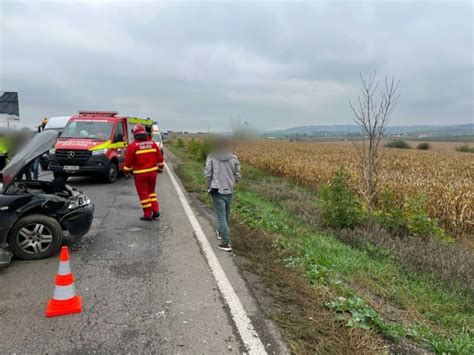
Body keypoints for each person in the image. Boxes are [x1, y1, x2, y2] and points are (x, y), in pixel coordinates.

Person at [204, 138, 241, 252]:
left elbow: (208, 173)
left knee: (221, 216)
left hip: (217, 190)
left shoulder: (212, 157)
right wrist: (232, 183)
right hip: (229, 190)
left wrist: (208, 185)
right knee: (226, 214)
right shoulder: (234, 158)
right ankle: (221, 232)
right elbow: (238, 174)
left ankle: (226, 243)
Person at [124, 124, 164, 221]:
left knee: (143, 194)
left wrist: (126, 172)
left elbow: (128, 162)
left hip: (140, 175)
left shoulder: (133, 146)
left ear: (135, 134)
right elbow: (160, 158)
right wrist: (160, 167)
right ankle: (155, 210)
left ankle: (147, 215)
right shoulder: (152, 143)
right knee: (151, 192)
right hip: (153, 173)